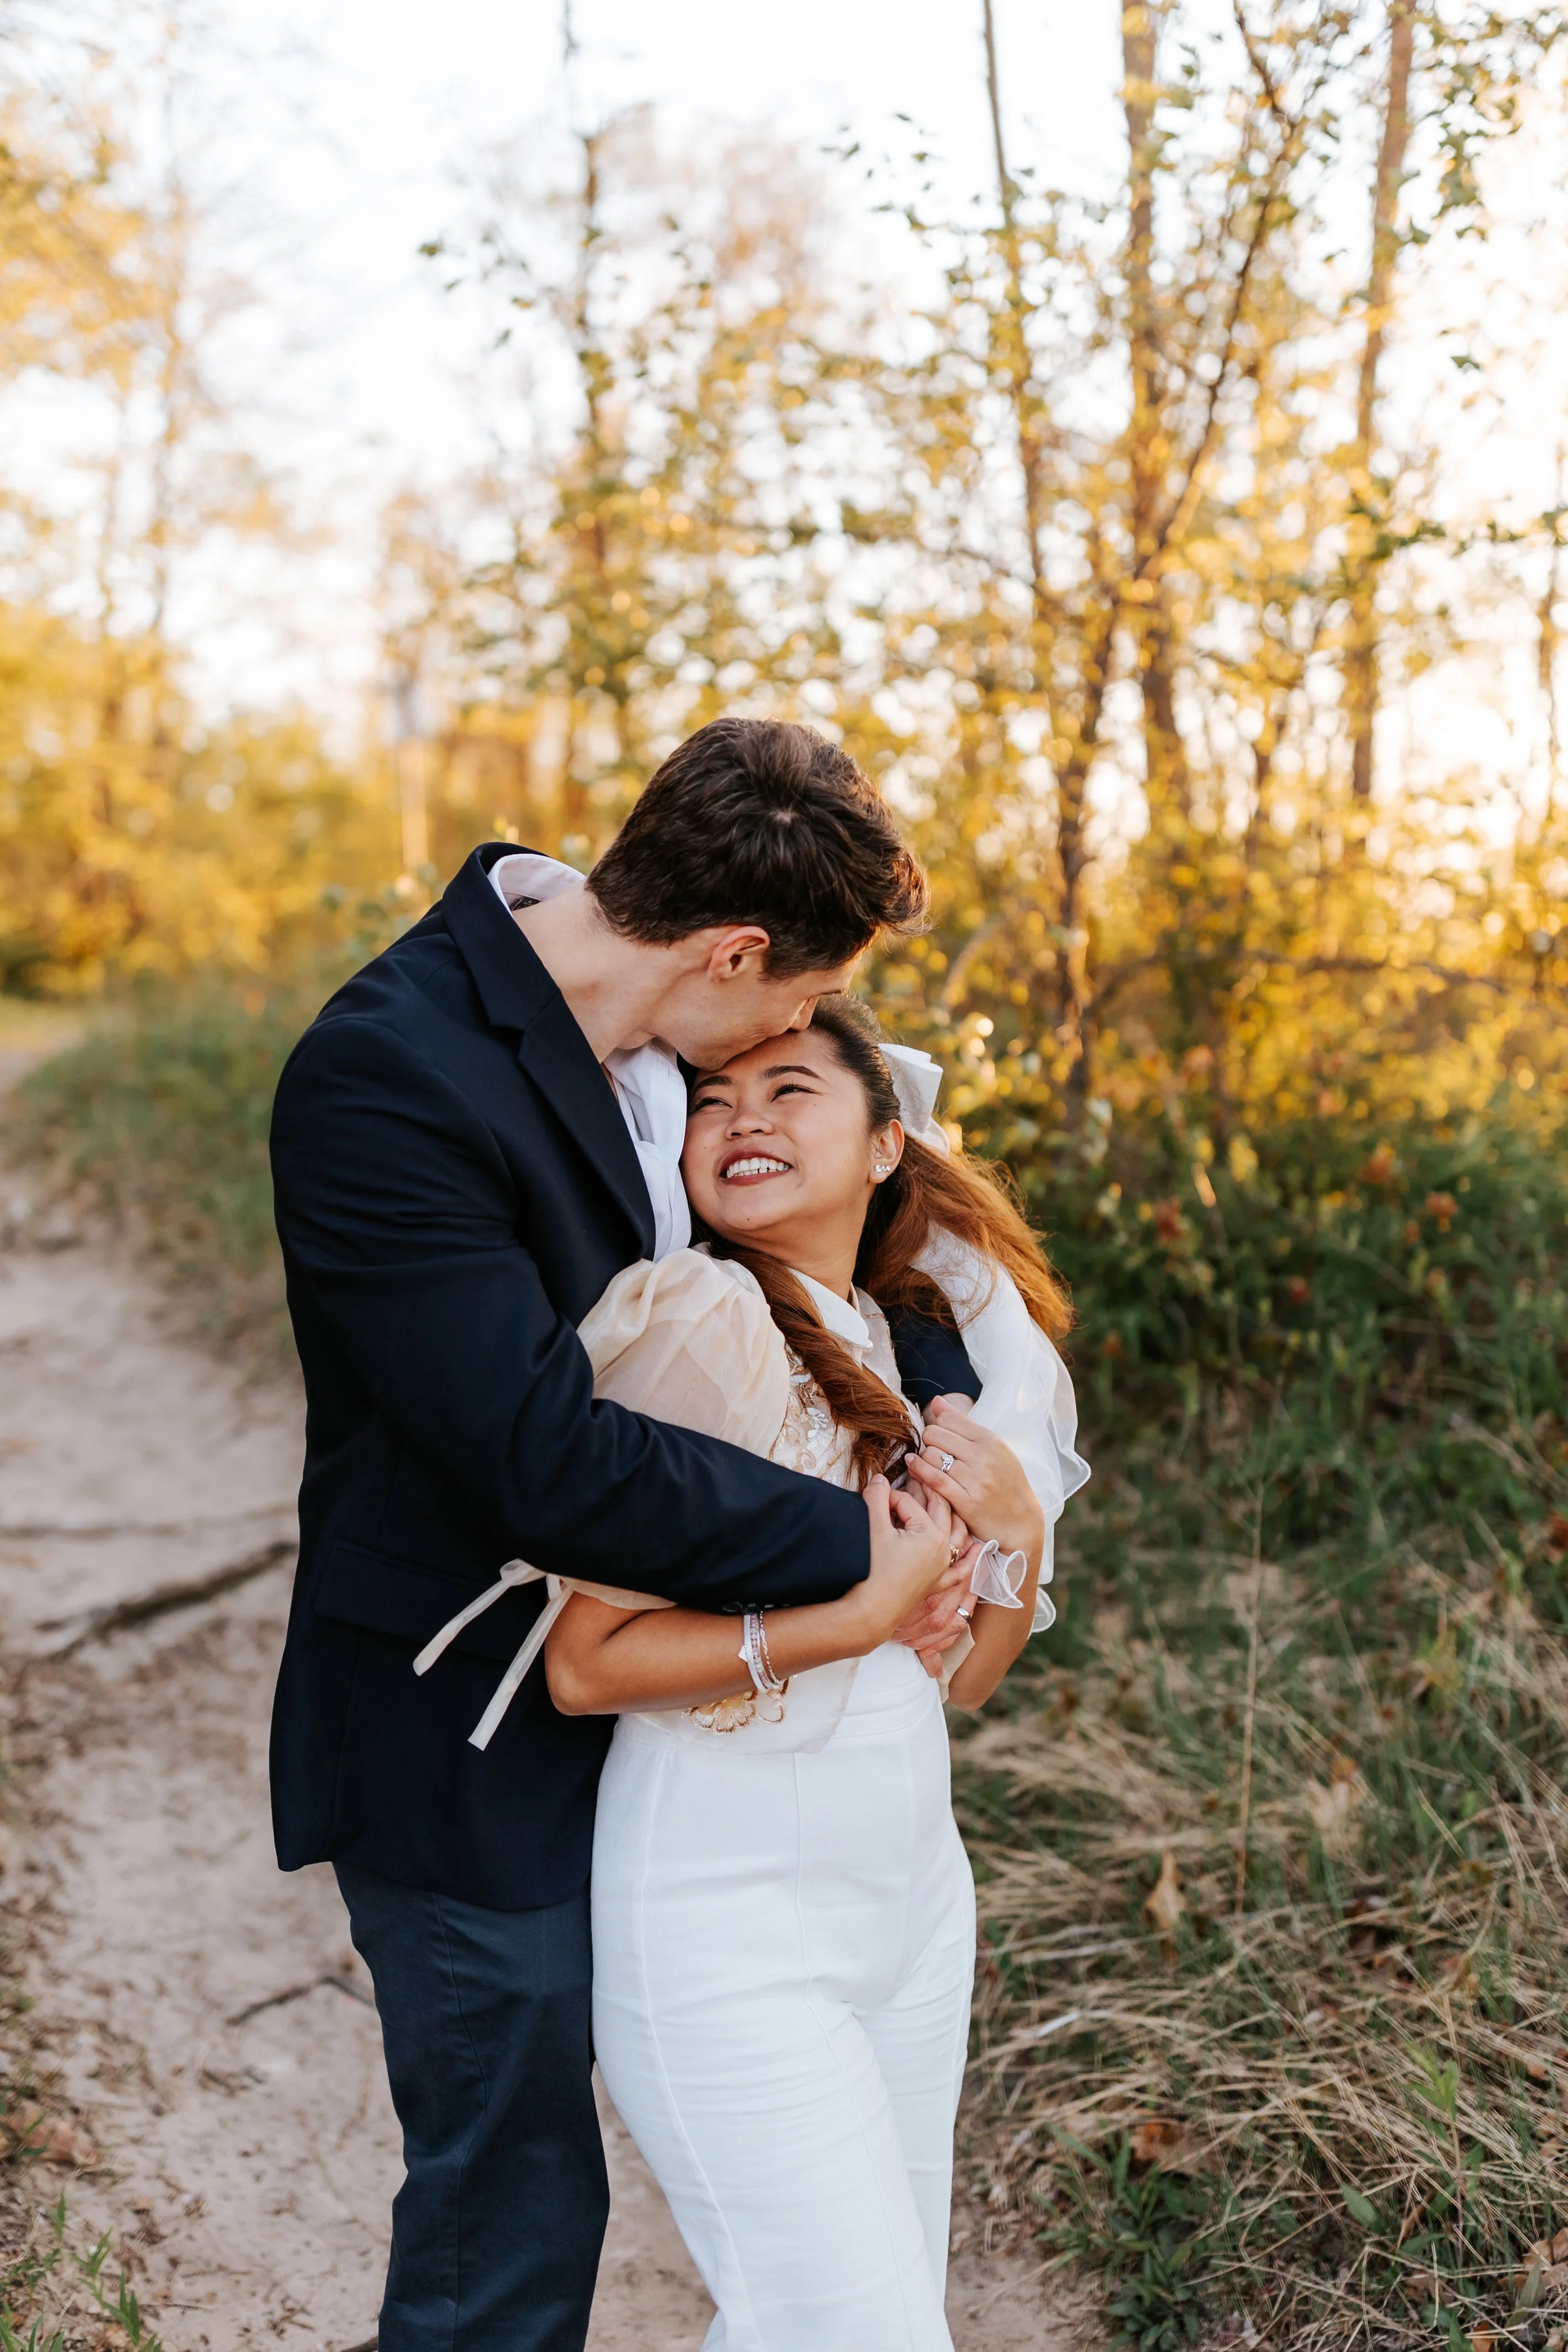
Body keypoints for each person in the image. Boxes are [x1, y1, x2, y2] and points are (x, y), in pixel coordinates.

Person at [267, 721, 970, 2352]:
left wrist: (932, 1432)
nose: (798, 1029)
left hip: (690, 1758)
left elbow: (859, 1230)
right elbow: (535, 1452)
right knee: (509, 2222)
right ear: (733, 945)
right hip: (473, 1725)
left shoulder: (690, 1048)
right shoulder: (388, 1069)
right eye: (794, 994)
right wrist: (850, 1541)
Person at [538, 993, 1088, 2351]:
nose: (742, 1121)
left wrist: (1013, 1534)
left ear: (886, 1143)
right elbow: (584, 1664)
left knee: (885, 2316)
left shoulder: (908, 1357)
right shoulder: (696, 1328)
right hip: (729, 1921)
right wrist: (853, 1615)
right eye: (713, 1102)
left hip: (909, 1909)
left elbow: (956, 1680)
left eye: (790, 1091)